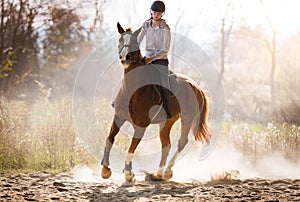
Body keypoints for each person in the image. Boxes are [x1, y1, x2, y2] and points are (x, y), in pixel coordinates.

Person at [137, 0, 171, 118]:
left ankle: (167, 110)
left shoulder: (165, 28)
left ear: (162, 14)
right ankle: (120, 100)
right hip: (146, 57)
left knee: (163, 84)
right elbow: (138, 40)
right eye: (154, 12)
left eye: (159, 13)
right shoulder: (146, 25)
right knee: (131, 74)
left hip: (160, 59)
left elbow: (165, 48)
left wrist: (152, 59)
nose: (156, 14)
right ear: (151, 12)